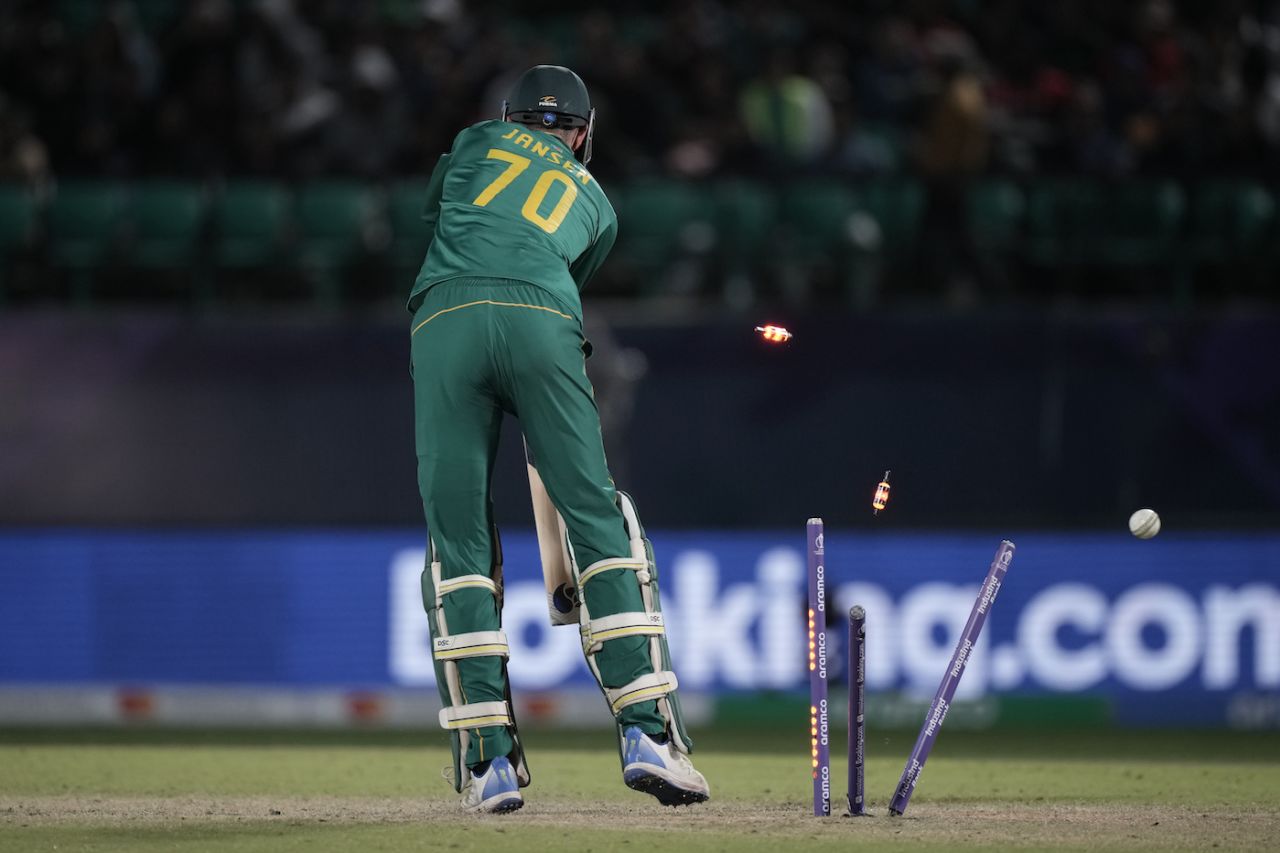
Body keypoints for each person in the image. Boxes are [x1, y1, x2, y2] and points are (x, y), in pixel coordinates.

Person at [408, 65, 710, 814]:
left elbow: (436, 211)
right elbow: (557, 272)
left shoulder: (474, 141)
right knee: (598, 517)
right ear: (582, 135)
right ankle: (648, 735)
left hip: (444, 320)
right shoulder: (598, 205)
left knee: (458, 540)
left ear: (509, 117)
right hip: (543, 319)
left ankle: (488, 764)